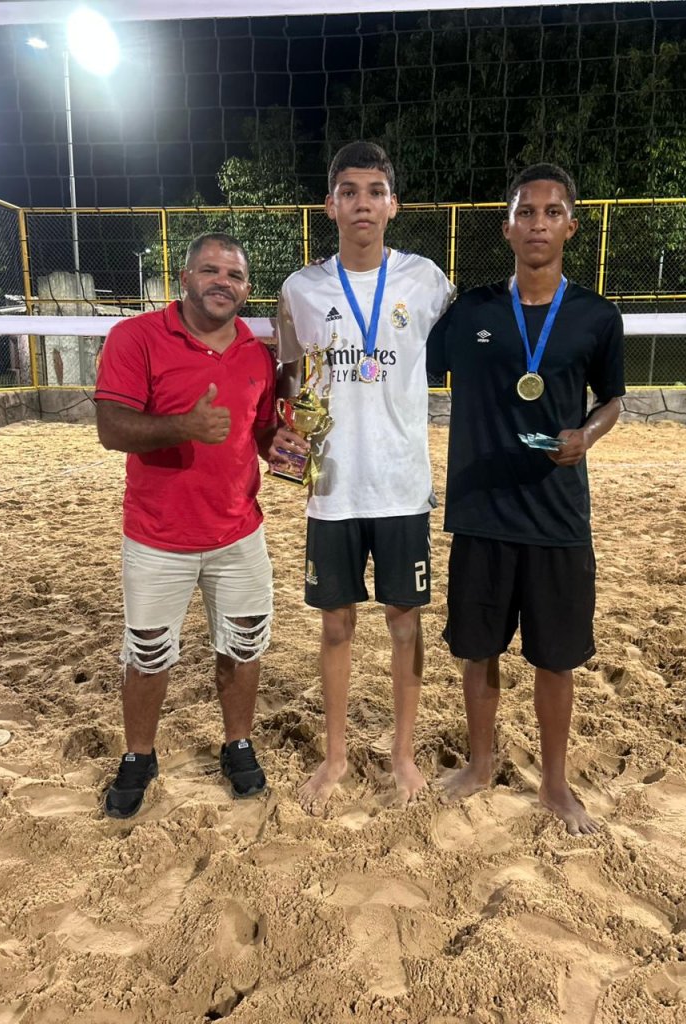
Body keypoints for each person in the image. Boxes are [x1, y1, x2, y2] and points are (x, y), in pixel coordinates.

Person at [427, 164, 625, 836]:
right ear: (506, 226)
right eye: (526, 212)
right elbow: (404, 365)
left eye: (552, 212)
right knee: (477, 649)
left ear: (571, 226)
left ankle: (556, 784)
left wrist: (586, 436)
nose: (538, 223)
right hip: (481, 512)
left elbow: (614, 399)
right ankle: (481, 765)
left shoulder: (596, 316)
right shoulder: (472, 311)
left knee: (555, 659)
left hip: (557, 516)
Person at [271, 141, 455, 815]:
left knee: (405, 625)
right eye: (348, 191)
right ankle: (336, 757)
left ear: (393, 205)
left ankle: (403, 756)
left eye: (375, 191)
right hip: (333, 488)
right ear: (330, 206)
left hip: (402, 486)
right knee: (336, 627)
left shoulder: (426, 280)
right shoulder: (300, 289)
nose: (362, 203)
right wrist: (287, 429)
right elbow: (288, 373)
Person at [95, 232, 277, 819]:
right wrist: (184, 426)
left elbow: (261, 432)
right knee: (148, 653)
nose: (223, 282)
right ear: (184, 278)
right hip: (157, 536)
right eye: (210, 270)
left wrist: (287, 447)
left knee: (244, 643)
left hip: (239, 532)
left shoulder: (256, 352)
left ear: (247, 289)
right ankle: (139, 755)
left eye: (235, 275)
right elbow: (111, 429)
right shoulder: (135, 337)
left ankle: (238, 744)